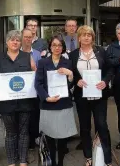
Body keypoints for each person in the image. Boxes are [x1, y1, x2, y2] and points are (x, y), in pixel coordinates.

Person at [69, 25, 113, 166]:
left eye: (89, 35)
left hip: (99, 96)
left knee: (102, 125)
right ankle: (88, 157)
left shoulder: (100, 51)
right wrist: (77, 81)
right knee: (85, 127)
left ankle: (107, 159)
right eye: (83, 35)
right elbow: (72, 73)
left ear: (92, 37)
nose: (86, 37)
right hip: (82, 96)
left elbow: (110, 69)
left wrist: (105, 81)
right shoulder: (74, 54)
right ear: (79, 38)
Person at [0, 30, 36, 166]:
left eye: (17, 40)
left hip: (25, 102)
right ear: (7, 42)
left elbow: (35, 73)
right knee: (10, 133)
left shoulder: (27, 56)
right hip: (7, 103)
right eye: (12, 40)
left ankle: (23, 160)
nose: (15, 42)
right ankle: (11, 161)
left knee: (24, 132)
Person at [35, 35, 77, 166]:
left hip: (64, 104)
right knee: (50, 137)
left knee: (63, 138)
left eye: (59, 45)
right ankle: (52, 162)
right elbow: (38, 83)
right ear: (50, 47)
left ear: (63, 47)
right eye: (54, 45)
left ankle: (61, 163)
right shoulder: (42, 62)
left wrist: (70, 75)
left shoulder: (68, 62)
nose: (57, 48)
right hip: (48, 104)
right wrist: (47, 97)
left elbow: (71, 85)